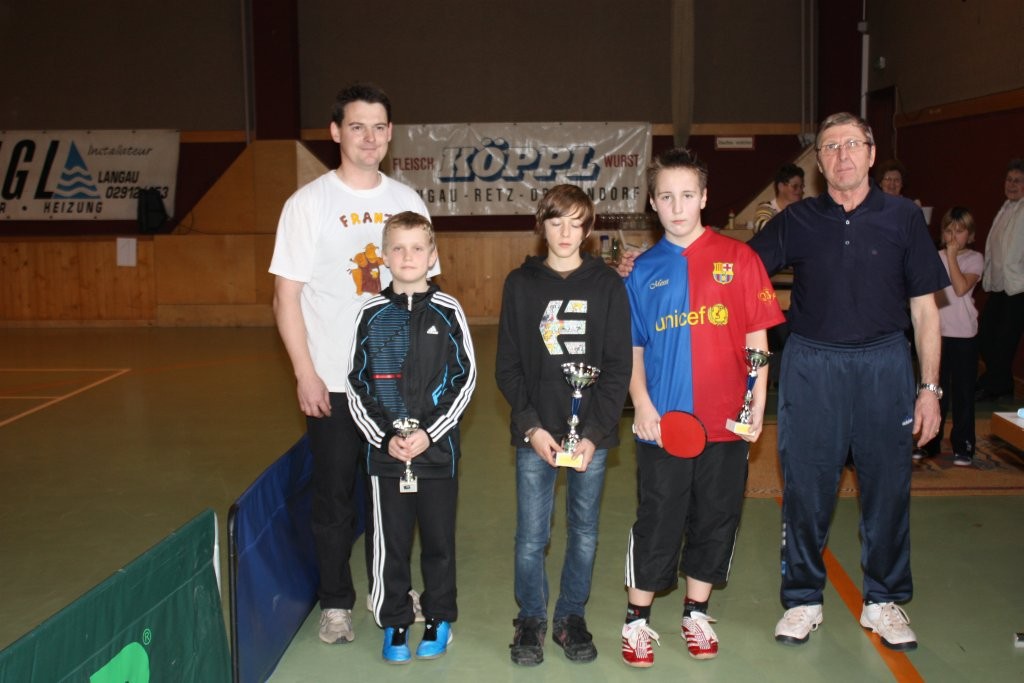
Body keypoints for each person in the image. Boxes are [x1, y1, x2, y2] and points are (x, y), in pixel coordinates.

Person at [747, 112, 948, 652]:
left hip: (885, 364)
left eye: (852, 144)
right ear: (819, 161)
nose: (842, 155)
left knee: (888, 488)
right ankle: (802, 599)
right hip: (813, 365)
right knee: (806, 488)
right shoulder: (798, 219)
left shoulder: (904, 217)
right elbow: (738, 267)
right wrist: (661, 261)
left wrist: (929, 390)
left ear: (871, 153)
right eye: (831, 147)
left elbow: (925, 311)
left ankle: (883, 600)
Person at [269, 83, 434, 645]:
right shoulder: (307, 204)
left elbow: (425, 296)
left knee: (395, 495)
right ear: (336, 132)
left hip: (396, 387)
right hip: (335, 384)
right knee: (334, 499)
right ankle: (336, 602)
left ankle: (391, 591)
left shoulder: (407, 201)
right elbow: (285, 298)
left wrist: (422, 379)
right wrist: (305, 373)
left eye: (379, 127)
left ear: (391, 134)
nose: (369, 137)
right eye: (357, 126)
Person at [619, 148, 785, 668]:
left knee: (716, 517)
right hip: (665, 425)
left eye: (687, 195)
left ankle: (696, 612)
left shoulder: (742, 260)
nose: (677, 206)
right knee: (658, 518)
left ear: (704, 197)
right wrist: (641, 404)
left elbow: (757, 339)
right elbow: (632, 349)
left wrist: (757, 403)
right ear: (653, 202)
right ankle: (637, 620)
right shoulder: (641, 272)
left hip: (727, 423)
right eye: (666, 196)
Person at [495, 185, 632, 666]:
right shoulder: (520, 284)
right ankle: (531, 618)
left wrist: (593, 434)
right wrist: (531, 428)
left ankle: (571, 616)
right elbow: (507, 366)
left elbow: (618, 367)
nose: (566, 233)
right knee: (531, 536)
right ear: (542, 226)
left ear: (589, 229)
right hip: (536, 434)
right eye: (556, 222)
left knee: (585, 532)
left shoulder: (607, 285)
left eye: (576, 223)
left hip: (590, 436)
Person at [346, 212, 476, 663]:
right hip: (386, 458)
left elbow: (465, 378)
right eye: (398, 248)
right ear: (384, 256)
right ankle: (396, 620)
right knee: (392, 545)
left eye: (417, 247)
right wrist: (384, 438)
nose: (407, 256)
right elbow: (356, 384)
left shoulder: (449, 310)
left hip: (437, 454)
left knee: (439, 542)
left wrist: (430, 433)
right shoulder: (370, 313)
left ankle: (439, 618)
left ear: (432, 255)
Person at [915, 207, 983, 466]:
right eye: (949, 230)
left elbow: (960, 287)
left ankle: (964, 445)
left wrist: (952, 256)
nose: (953, 236)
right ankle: (928, 443)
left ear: (971, 235)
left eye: (960, 230)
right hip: (937, 335)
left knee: (963, 392)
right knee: (933, 391)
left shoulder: (975, 259)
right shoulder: (933, 256)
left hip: (964, 336)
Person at [976, 159, 1024, 401]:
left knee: (1005, 340)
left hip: (1018, 288)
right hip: (999, 286)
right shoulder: (1005, 208)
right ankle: (1000, 382)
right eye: (1009, 180)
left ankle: (996, 385)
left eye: (1018, 181)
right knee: (985, 335)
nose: (1011, 185)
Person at [753, 163, 805, 232]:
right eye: (795, 186)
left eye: (801, 186)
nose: (799, 190)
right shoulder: (767, 207)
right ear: (781, 187)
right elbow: (759, 227)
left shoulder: (802, 209)